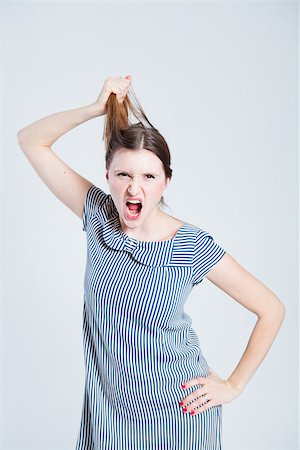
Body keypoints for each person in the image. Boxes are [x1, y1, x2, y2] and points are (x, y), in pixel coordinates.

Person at [17, 75, 285, 450]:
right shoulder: (98, 216)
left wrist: (233, 385)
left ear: (166, 182)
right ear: (107, 175)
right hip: (109, 418)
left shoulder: (190, 246)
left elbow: (271, 309)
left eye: (148, 176)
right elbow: (31, 139)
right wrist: (95, 110)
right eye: (123, 174)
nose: (133, 187)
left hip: (180, 416)